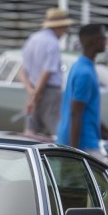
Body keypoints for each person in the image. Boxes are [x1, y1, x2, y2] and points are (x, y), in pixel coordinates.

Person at [56, 24, 108, 155]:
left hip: (83, 141)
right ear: (94, 42)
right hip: (83, 144)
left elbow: (87, 110)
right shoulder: (85, 72)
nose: (106, 41)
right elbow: (76, 112)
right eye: (103, 38)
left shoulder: (81, 65)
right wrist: (75, 153)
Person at [19, 8, 73, 136]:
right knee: (57, 128)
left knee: (31, 129)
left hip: (33, 88)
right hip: (49, 91)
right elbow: (47, 71)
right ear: (59, 27)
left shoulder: (33, 39)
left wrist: (31, 92)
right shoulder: (52, 43)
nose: (64, 32)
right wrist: (36, 94)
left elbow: (22, 70)